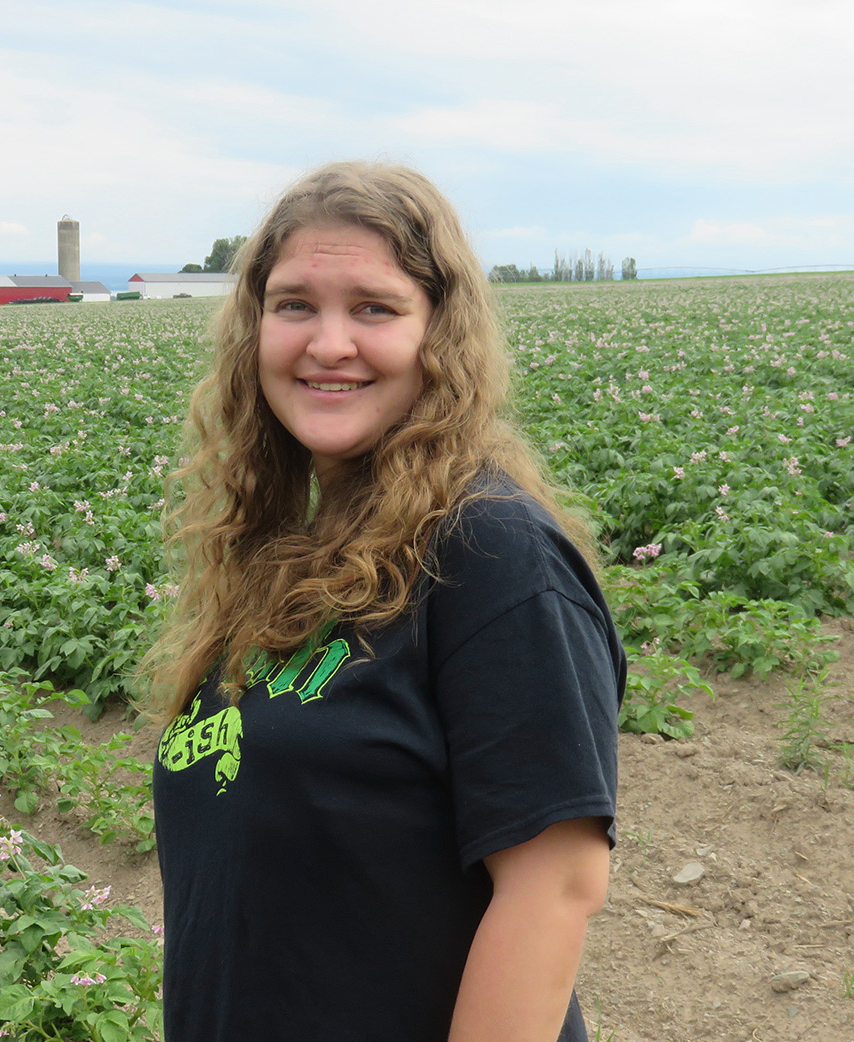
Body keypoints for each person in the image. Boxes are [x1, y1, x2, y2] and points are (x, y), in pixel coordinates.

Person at [145, 161, 623, 1042]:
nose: (329, 344)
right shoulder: (288, 550)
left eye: (374, 307)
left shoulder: (489, 549)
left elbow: (554, 889)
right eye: (294, 305)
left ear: (440, 333)